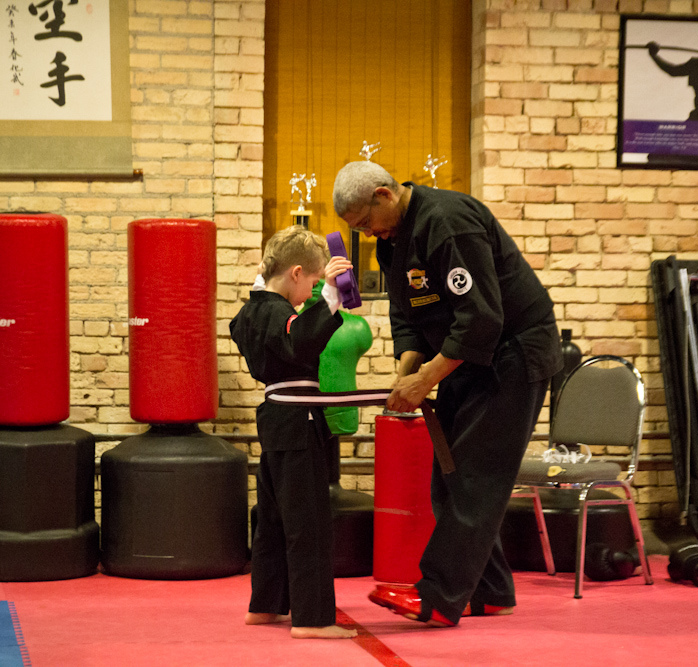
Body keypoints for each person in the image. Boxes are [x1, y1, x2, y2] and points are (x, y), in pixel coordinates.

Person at [332, 161, 563, 627]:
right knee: (451, 477)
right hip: (464, 358)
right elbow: (407, 314)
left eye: (365, 223)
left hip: (513, 353)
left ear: (383, 195)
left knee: (476, 477)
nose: (367, 234)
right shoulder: (392, 243)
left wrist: (425, 381)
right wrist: (406, 371)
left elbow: (482, 317)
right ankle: (489, 590)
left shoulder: (447, 222)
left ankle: (438, 597)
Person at [229, 225, 357, 640]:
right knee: (309, 521)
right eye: (315, 281)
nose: (314, 291)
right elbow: (299, 342)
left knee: (273, 519)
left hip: (276, 419)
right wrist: (333, 297)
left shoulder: (251, 311)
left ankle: (265, 605)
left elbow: (252, 329)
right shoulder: (272, 311)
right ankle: (313, 618)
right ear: (297, 273)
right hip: (296, 419)